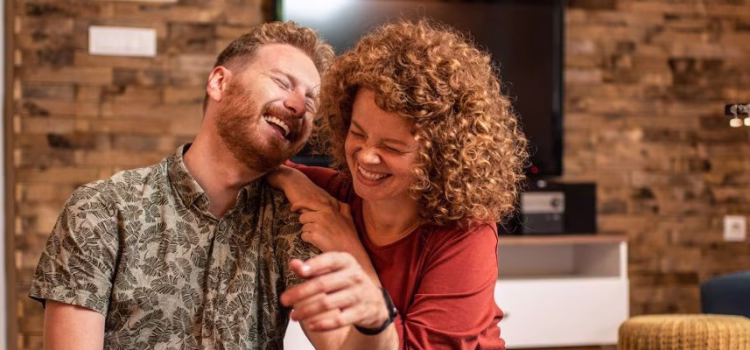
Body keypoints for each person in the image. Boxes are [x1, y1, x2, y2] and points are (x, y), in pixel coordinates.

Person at [29, 21, 396, 350]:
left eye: (311, 101)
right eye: (283, 82)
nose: (298, 105)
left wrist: (375, 319)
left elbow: (345, 346)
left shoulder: (292, 222)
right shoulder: (102, 210)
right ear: (219, 82)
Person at [269, 19, 528, 349]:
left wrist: (350, 249)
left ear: (440, 156)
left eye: (391, 148)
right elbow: (258, 164)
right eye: (358, 133)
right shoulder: (332, 194)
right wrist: (292, 179)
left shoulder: (466, 233)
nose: (366, 157)